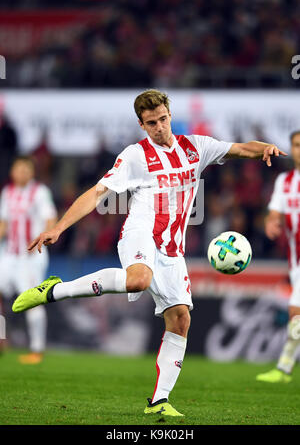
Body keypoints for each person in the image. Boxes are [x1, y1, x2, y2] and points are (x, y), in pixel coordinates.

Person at [12, 89, 286, 415]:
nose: (159, 127)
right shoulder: (135, 156)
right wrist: (58, 227)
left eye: (162, 119)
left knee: (180, 318)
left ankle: (159, 401)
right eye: (151, 123)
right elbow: (98, 192)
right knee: (138, 280)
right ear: (142, 125)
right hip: (140, 234)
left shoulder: (196, 147)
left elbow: (240, 148)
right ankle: (54, 290)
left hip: (173, 249)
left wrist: (264, 149)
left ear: (170, 114)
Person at [0, 156, 57, 364]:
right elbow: (3, 225)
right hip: (9, 254)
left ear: (32, 172)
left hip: (31, 256)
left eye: (26, 169)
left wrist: (45, 236)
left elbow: (50, 218)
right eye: (18, 168)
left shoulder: (39, 192)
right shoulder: (8, 193)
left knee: (32, 300)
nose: (22, 172)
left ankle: (37, 349)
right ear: (12, 171)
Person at [256, 130, 300, 383]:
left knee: (296, 311)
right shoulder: (285, 181)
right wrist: (271, 223)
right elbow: (274, 214)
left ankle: (284, 367)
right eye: (295, 145)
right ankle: (284, 367)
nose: (298, 149)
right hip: (295, 258)